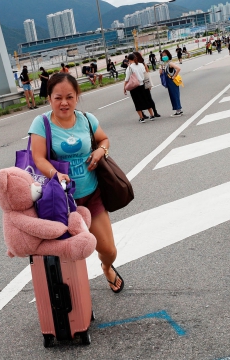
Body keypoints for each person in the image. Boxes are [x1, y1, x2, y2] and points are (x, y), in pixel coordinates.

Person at [29, 73, 124, 293]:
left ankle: (106, 266)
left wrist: (101, 151)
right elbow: (38, 157)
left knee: (109, 249)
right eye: (58, 97)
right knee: (69, 254)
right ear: (49, 99)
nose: (64, 103)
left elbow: (104, 139)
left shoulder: (86, 119)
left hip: (91, 194)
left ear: (77, 96)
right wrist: (55, 174)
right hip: (61, 201)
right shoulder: (42, 123)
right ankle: (73, 298)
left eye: (69, 97)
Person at [123, 53, 155, 123]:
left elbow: (127, 79)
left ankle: (141, 118)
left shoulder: (129, 68)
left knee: (137, 102)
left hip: (135, 88)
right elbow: (145, 75)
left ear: (129, 60)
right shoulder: (141, 65)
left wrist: (124, 89)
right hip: (143, 85)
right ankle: (152, 115)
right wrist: (148, 85)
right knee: (147, 100)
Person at [133, 51, 160, 119]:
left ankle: (144, 114)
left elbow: (146, 73)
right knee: (148, 98)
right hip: (144, 83)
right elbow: (147, 73)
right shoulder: (142, 63)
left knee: (140, 99)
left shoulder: (136, 64)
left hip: (140, 84)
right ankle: (154, 112)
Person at [159, 49, 183, 117]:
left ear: (168, 55)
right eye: (162, 55)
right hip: (169, 81)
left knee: (175, 95)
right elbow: (160, 73)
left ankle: (178, 110)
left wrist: (174, 77)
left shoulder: (170, 63)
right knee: (173, 95)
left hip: (172, 81)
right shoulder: (164, 64)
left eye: (165, 55)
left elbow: (178, 68)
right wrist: (161, 68)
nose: (164, 57)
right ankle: (178, 110)